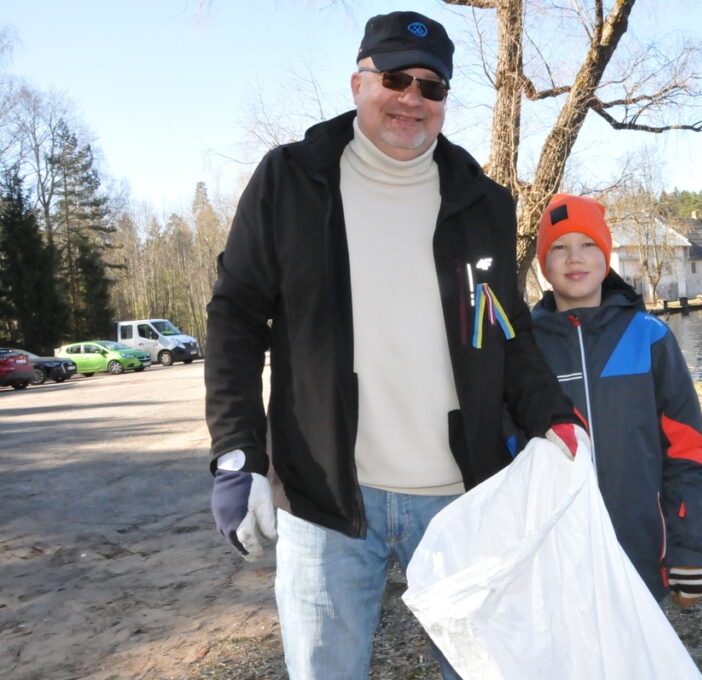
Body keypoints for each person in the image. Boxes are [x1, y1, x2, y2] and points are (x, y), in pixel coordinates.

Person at [204, 12, 585, 680]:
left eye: (431, 87)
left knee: (484, 670)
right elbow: (235, 318)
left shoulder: (482, 203)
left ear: (445, 101)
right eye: (395, 77)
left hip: (461, 501)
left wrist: (551, 414)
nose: (411, 98)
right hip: (324, 504)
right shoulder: (289, 182)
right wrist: (238, 454)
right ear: (359, 82)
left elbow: (502, 325)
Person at [524, 193, 702, 607]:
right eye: (559, 247)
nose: (575, 258)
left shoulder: (649, 336)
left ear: (606, 255)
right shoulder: (524, 347)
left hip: (639, 547)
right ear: (544, 263)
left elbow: (687, 450)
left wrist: (690, 550)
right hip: (551, 553)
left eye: (588, 244)